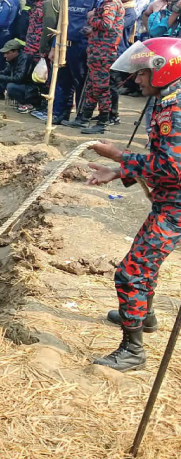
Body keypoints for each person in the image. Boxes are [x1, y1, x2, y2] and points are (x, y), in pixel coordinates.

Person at [85, 37, 181, 372]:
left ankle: (132, 351)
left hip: (177, 208)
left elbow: (172, 166)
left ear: (161, 70)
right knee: (144, 265)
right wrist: (116, 171)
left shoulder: (176, 108)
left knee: (130, 273)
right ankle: (145, 315)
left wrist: (118, 157)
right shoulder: (167, 99)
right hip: (170, 201)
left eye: (141, 73)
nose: (137, 80)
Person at [63, 0, 124, 134]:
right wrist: (92, 29)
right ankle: (83, 119)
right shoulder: (107, 2)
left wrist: (90, 17)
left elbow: (106, 24)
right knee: (91, 87)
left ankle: (103, 122)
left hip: (103, 53)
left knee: (101, 88)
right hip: (97, 51)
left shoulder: (110, 3)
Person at [53, 0, 96, 125]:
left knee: (81, 83)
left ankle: (80, 116)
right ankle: (61, 114)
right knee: (63, 82)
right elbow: (58, 24)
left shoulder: (95, 0)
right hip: (64, 46)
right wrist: (54, 47)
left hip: (81, 48)